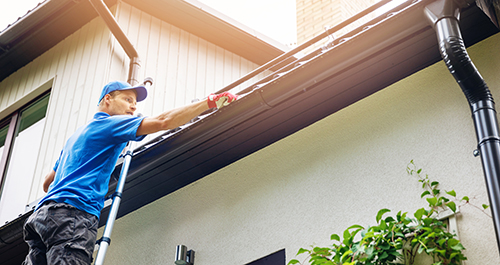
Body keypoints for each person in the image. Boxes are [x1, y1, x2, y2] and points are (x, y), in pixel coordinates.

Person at [22, 80, 238, 265]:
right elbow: (164, 121)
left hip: (42, 217)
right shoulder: (110, 124)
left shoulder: (75, 137)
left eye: (135, 104)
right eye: (128, 100)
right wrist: (208, 102)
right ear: (108, 99)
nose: (133, 108)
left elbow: (47, 182)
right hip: (73, 216)